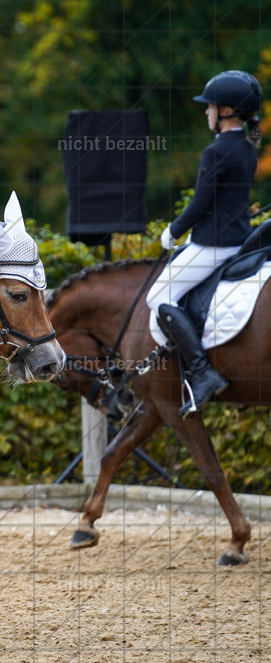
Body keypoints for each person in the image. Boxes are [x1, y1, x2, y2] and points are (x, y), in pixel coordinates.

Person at [146, 70, 262, 416]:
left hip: (211, 246)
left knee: (158, 297)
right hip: (237, 242)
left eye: (209, 107)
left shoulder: (217, 152)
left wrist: (173, 231)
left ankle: (202, 372)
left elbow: (200, 203)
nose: (206, 112)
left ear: (226, 111)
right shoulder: (247, 146)